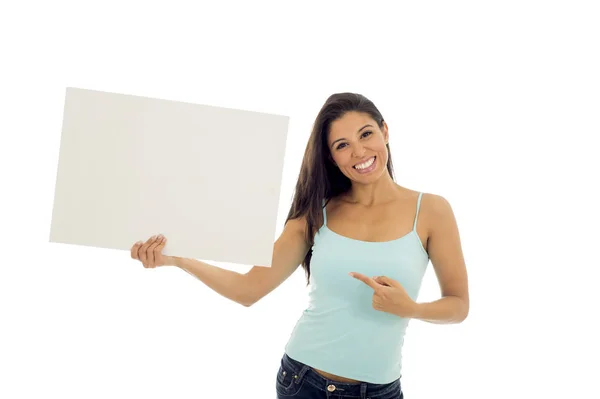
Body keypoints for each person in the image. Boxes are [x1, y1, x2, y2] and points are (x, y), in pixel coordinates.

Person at [130, 93, 469, 398]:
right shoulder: (316, 215)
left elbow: (458, 305)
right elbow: (249, 289)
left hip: (379, 391)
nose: (359, 151)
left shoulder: (432, 211)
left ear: (384, 131)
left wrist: (412, 308)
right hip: (304, 382)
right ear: (332, 157)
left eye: (366, 134)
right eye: (342, 145)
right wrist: (177, 260)